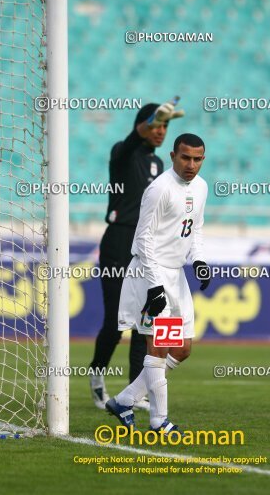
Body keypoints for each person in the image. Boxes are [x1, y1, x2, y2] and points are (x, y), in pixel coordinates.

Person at [106, 133, 211, 434]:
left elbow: (196, 230)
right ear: (173, 156)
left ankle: (124, 400)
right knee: (159, 347)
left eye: (197, 159)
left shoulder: (201, 187)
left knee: (183, 348)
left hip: (176, 274)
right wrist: (154, 287)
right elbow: (143, 239)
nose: (191, 164)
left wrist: (199, 261)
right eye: (185, 157)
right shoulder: (159, 189)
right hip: (150, 273)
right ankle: (158, 421)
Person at [89, 99, 185, 410]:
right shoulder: (123, 151)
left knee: (145, 323)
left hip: (146, 245)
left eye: (165, 126)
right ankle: (96, 378)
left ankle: (134, 393)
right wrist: (149, 121)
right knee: (116, 323)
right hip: (118, 241)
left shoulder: (159, 164)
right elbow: (133, 139)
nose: (161, 131)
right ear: (140, 126)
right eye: (156, 125)